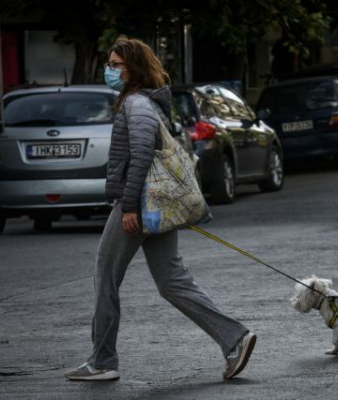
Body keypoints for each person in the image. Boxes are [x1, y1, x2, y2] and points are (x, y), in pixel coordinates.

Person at [65, 38, 256, 382]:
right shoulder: (145, 102)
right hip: (154, 207)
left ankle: (103, 361)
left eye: (115, 65)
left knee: (105, 276)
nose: (109, 71)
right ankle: (234, 338)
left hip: (138, 206)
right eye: (108, 64)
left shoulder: (135, 105)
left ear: (133, 69)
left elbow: (140, 155)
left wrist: (129, 206)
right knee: (171, 281)